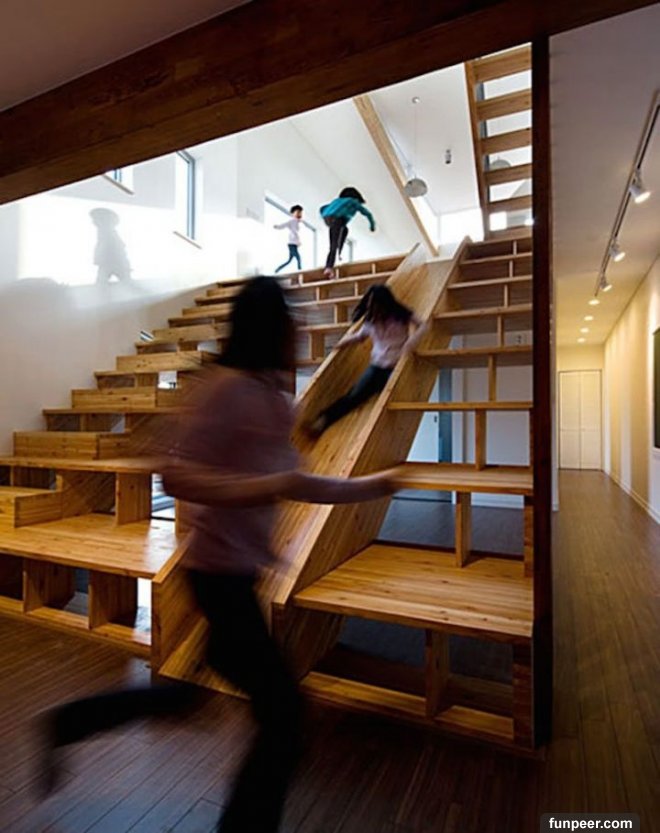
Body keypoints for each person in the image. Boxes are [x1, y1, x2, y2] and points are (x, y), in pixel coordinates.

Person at [37, 276, 403, 833]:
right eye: (291, 319)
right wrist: (259, 487)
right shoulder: (225, 389)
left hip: (238, 574)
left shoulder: (273, 398)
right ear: (268, 327)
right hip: (216, 576)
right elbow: (176, 475)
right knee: (284, 716)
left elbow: (296, 481)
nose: (300, 329)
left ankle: (67, 723)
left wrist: (369, 486)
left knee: (184, 699)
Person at [307, 284, 426, 437]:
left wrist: (411, 341)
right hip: (376, 366)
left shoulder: (401, 315)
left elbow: (423, 325)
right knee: (354, 396)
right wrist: (339, 344)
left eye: (377, 307)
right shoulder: (370, 320)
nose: (374, 311)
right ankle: (323, 420)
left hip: (396, 366)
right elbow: (359, 337)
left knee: (391, 398)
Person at [320, 187, 376, 278]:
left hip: (328, 219)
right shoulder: (353, 202)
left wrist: (325, 215)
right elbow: (367, 213)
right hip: (337, 219)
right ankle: (329, 267)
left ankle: (339, 253)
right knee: (334, 244)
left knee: (344, 231)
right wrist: (372, 225)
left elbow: (322, 208)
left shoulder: (337, 201)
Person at [274, 204, 303, 273]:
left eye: (300, 212)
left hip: (294, 244)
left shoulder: (298, 223)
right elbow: (284, 225)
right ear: (293, 213)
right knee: (298, 258)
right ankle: (300, 270)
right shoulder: (292, 221)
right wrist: (277, 226)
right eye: (298, 212)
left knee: (289, 261)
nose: (299, 214)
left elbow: (297, 234)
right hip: (291, 244)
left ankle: (277, 269)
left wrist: (298, 242)